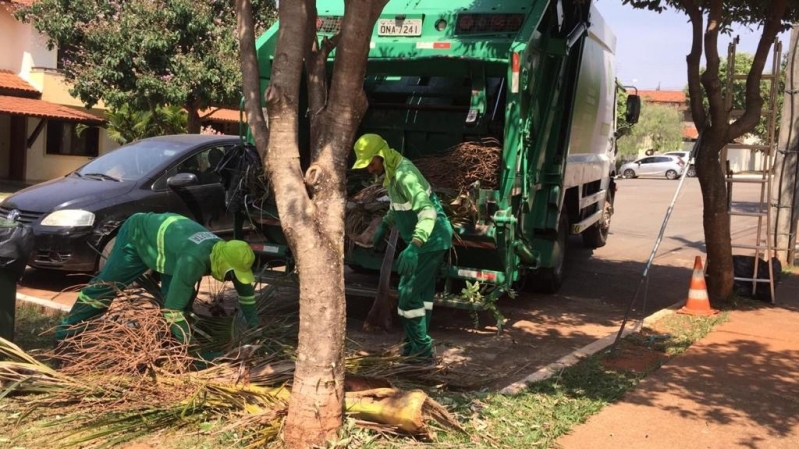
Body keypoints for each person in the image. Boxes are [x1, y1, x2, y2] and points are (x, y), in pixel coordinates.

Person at [54, 212, 259, 345]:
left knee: (178, 299)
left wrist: (255, 331)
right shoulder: (193, 261)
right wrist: (190, 352)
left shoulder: (228, 252)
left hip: (170, 248)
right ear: (223, 264)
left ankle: (167, 340)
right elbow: (173, 311)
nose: (233, 279)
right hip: (138, 238)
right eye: (232, 274)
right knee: (106, 287)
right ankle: (67, 333)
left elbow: (246, 295)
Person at [352, 134, 453, 359]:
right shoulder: (392, 173)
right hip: (426, 241)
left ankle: (423, 351)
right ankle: (413, 346)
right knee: (421, 296)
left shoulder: (404, 175)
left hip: (430, 240)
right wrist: (385, 224)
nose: (368, 169)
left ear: (381, 156)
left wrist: (415, 245)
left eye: (370, 163)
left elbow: (428, 211)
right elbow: (400, 206)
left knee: (407, 296)